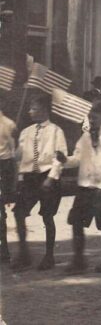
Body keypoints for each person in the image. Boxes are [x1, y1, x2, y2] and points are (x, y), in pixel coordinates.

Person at [51, 100, 101, 274]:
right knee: (76, 220)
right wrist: (65, 160)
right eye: (89, 117)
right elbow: (77, 158)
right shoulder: (85, 137)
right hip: (86, 186)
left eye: (95, 117)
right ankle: (79, 259)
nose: (91, 120)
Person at [12, 95, 67, 271]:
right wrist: (20, 178)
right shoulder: (26, 132)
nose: (30, 111)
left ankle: (49, 256)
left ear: (43, 110)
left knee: (47, 216)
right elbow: (20, 159)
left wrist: (51, 177)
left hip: (46, 176)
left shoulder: (56, 131)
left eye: (33, 108)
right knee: (19, 213)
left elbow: (60, 157)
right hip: (29, 178)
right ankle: (23, 253)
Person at [0, 102, 16, 263]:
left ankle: (3, 248)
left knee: (0, 213)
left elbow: (13, 154)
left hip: (2, 167)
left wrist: (10, 186)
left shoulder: (8, 124)